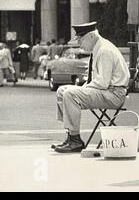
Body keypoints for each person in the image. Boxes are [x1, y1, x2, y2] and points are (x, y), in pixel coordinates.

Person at [53, 21, 130, 153]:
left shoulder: (105, 50)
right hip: (106, 91)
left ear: (91, 37)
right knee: (61, 91)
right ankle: (70, 135)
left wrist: (82, 89)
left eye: (81, 39)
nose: (80, 43)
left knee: (70, 94)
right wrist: (83, 88)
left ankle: (75, 140)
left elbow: (102, 82)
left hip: (113, 94)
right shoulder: (98, 48)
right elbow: (98, 82)